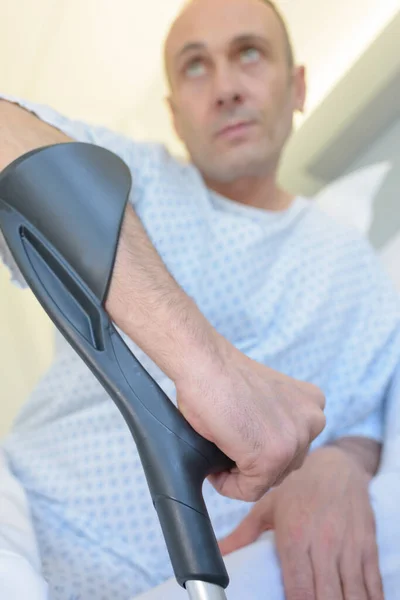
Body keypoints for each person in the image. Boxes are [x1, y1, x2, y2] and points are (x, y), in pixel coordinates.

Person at [0, 0, 398, 598]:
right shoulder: (131, 180)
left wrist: (337, 464)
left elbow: (367, 415)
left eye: (249, 53)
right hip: (21, 527)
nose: (224, 88)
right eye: (194, 66)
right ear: (174, 114)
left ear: (297, 86)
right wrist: (203, 358)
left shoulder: (356, 271)